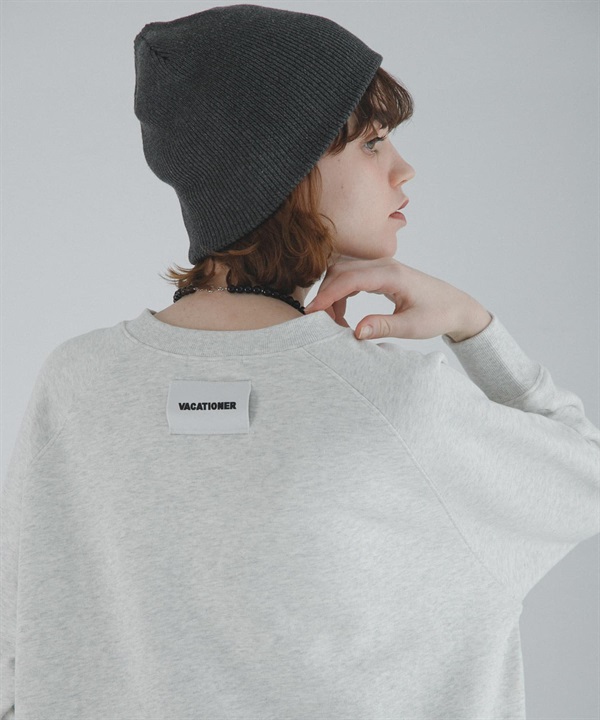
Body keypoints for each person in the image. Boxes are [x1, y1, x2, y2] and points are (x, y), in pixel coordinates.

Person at [1, 5, 597, 719]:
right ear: (285, 169)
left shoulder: (76, 386)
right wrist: (474, 325)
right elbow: (586, 476)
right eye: (373, 143)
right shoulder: (398, 403)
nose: (404, 169)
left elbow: (16, 657)